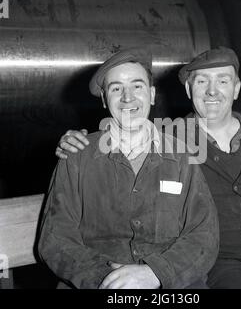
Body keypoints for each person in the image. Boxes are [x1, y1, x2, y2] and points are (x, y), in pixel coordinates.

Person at [56, 46, 241, 289]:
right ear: (188, 89)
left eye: (222, 81)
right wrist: (74, 141)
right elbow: (127, 131)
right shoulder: (170, 144)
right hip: (229, 267)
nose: (212, 92)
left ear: (236, 89)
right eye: (201, 82)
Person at [38, 47, 219, 289]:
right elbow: (55, 240)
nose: (127, 98)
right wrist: (106, 280)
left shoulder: (182, 155)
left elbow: (204, 236)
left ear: (152, 95)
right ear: (104, 99)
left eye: (137, 86)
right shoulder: (77, 156)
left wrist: (156, 273)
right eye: (116, 89)